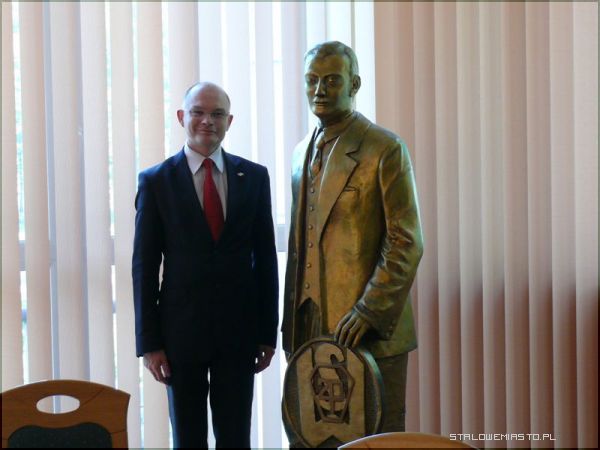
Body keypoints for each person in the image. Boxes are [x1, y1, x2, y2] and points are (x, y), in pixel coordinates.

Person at [281, 41, 423, 436]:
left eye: (331, 80)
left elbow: (406, 240)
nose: (319, 90)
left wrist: (368, 310)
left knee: (374, 438)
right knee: (311, 436)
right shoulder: (299, 154)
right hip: (307, 328)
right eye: (311, 80)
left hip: (367, 329)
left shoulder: (384, 148)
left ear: (354, 84)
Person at [132, 82, 278, 448]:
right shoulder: (156, 181)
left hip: (239, 333)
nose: (207, 121)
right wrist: (150, 343)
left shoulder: (254, 177)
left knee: (236, 437)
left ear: (230, 121)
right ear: (182, 117)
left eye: (217, 114)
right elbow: (144, 267)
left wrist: (267, 333)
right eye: (198, 112)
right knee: (188, 438)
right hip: (179, 336)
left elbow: (265, 260)